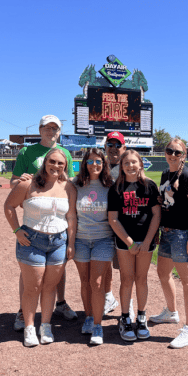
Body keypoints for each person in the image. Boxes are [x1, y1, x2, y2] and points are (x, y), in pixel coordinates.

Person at [10, 115, 77, 331]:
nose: (51, 131)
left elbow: (69, 182)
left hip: (57, 222)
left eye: (55, 128)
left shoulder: (65, 153)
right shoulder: (27, 152)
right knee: (31, 270)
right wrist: (24, 187)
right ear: (40, 130)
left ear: (59, 131)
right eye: (47, 128)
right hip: (34, 218)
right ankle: (23, 311)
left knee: (57, 267)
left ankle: (60, 302)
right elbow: (14, 182)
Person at [150, 139, 188, 349]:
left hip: (183, 234)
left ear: (184, 154)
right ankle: (171, 313)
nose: (173, 154)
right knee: (163, 273)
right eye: (169, 150)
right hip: (167, 232)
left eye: (177, 152)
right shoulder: (166, 174)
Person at [108, 150, 161, 341]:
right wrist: (129, 242)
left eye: (133, 162)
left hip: (146, 240)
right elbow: (113, 219)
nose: (130, 166)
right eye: (126, 163)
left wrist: (147, 241)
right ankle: (124, 318)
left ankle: (141, 316)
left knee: (141, 279)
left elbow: (156, 214)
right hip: (125, 242)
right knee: (127, 279)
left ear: (140, 164)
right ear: (121, 167)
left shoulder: (149, 186)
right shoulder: (116, 188)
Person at [72, 148, 114, 345]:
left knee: (96, 283)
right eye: (90, 162)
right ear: (84, 164)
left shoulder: (110, 185)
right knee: (85, 281)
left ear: (104, 163)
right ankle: (88, 317)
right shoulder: (76, 184)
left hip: (103, 239)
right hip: (81, 239)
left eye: (98, 161)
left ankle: (98, 325)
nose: (94, 165)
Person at [102, 131, 135, 318]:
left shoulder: (128, 168)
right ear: (105, 147)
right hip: (103, 226)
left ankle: (127, 303)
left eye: (118, 145)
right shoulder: (99, 166)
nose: (114, 148)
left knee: (125, 268)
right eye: (110, 144)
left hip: (124, 226)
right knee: (104, 263)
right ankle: (108, 297)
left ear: (124, 148)